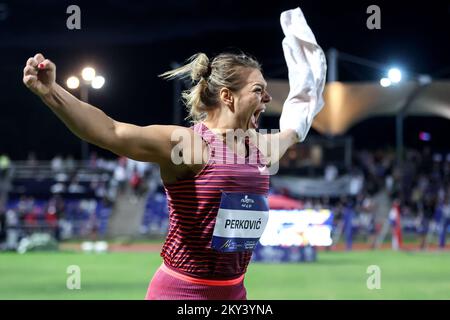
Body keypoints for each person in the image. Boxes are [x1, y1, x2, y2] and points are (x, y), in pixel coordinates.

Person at [23, 7, 326, 300]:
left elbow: (294, 128)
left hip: (235, 293)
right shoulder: (190, 145)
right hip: (180, 292)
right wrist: (52, 93)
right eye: (258, 90)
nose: (269, 97)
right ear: (227, 96)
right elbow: (111, 132)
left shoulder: (260, 148)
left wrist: (308, 81)